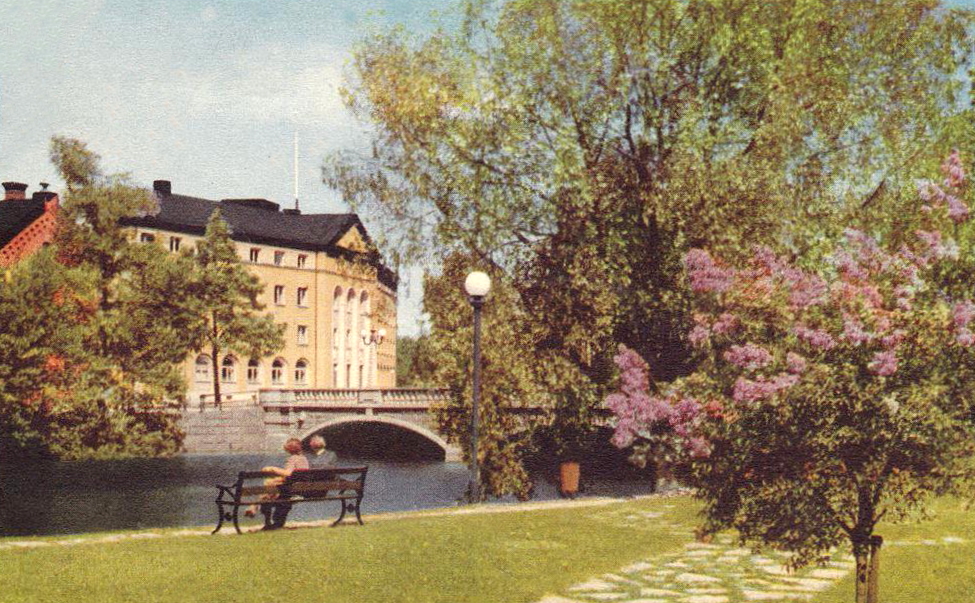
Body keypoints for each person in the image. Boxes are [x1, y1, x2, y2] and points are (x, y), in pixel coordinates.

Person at [244, 438, 309, 529]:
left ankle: (254, 507)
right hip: (299, 489)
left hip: (290, 491)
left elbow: (288, 473)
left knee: (268, 489)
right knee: (271, 484)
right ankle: (254, 507)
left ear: (288, 449)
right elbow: (294, 476)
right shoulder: (304, 459)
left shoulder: (293, 459)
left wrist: (272, 469)